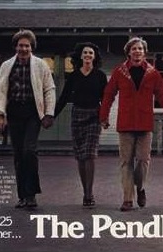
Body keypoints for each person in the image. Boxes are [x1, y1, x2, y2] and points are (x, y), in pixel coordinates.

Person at [99, 36, 163, 211]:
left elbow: (162, 96)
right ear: (128, 52)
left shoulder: (153, 73)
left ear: (144, 52)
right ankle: (127, 198)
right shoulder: (119, 72)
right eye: (134, 48)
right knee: (126, 161)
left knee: (143, 160)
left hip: (144, 122)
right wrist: (103, 117)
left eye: (140, 49)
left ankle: (140, 187)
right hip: (125, 123)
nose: (137, 51)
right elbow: (108, 95)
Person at [0, 29, 55, 209]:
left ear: (32, 47)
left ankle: (31, 194)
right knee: (19, 155)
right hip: (14, 113)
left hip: (33, 113)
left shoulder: (41, 65)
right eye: (21, 45)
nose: (24, 48)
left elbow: (49, 89)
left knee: (29, 151)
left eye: (27, 45)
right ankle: (22, 196)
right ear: (15, 46)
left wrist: (49, 113)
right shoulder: (7, 65)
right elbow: (1, 90)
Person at [55, 42, 107, 208]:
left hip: (94, 116)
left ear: (94, 56)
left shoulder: (100, 76)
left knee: (90, 154)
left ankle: (88, 194)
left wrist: (104, 118)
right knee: (80, 156)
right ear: (80, 56)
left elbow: (106, 99)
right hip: (77, 115)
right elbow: (63, 97)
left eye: (91, 53)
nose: (88, 55)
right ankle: (85, 190)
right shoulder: (74, 76)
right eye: (85, 53)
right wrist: (51, 116)